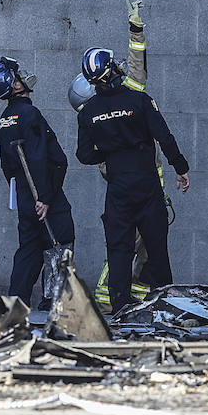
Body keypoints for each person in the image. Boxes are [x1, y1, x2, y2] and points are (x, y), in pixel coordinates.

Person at [75, 46, 189, 314]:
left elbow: (83, 155)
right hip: (147, 187)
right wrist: (180, 167)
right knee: (157, 249)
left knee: (118, 251)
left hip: (117, 191)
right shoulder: (139, 100)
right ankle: (167, 305)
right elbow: (164, 136)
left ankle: (119, 308)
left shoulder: (87, 112)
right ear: (111, 70)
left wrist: (110, 152)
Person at [70, 0, 159, 309]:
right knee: (129, 243)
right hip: (143, 190)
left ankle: (131, 296)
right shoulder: (126, 99)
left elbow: (88, 155)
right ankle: (111, 296)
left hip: (142, 188)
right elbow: (137, 67)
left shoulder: (99, 118)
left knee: (139, 246)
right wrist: (135, 30)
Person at [0, 55, 75, 306]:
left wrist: (27, 196)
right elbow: (39, 158)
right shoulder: (30, 114)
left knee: (29, 249)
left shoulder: (4, 119)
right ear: (14, 85)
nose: (23, 77)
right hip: (46, 194)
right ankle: (55, 304)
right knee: (60, 244)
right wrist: (44, 198)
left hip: (26, 194)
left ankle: (16, 303)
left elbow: (7, 165)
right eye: (18, 76)